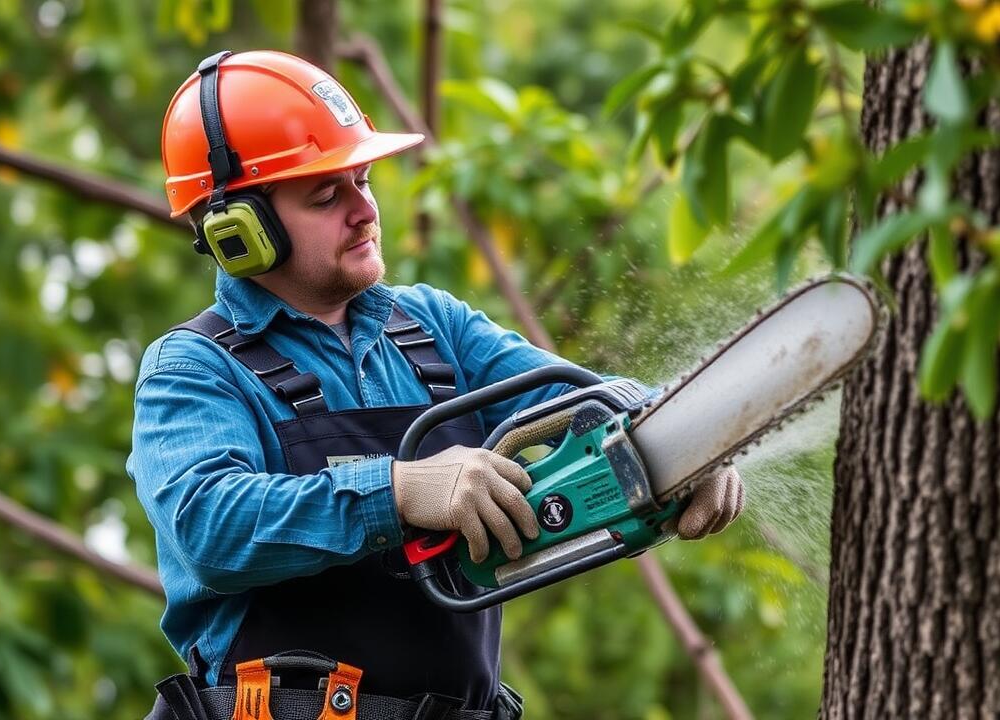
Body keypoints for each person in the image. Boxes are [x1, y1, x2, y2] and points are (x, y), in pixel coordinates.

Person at [129, 50, 744, 720]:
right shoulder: (194, 368)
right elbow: (210, 527)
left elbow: (581, 402)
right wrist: (401, 490)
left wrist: (681, 438)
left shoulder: (431, 327)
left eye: (363, 181)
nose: (365, 211)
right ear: (239, 233)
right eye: (328, 196)